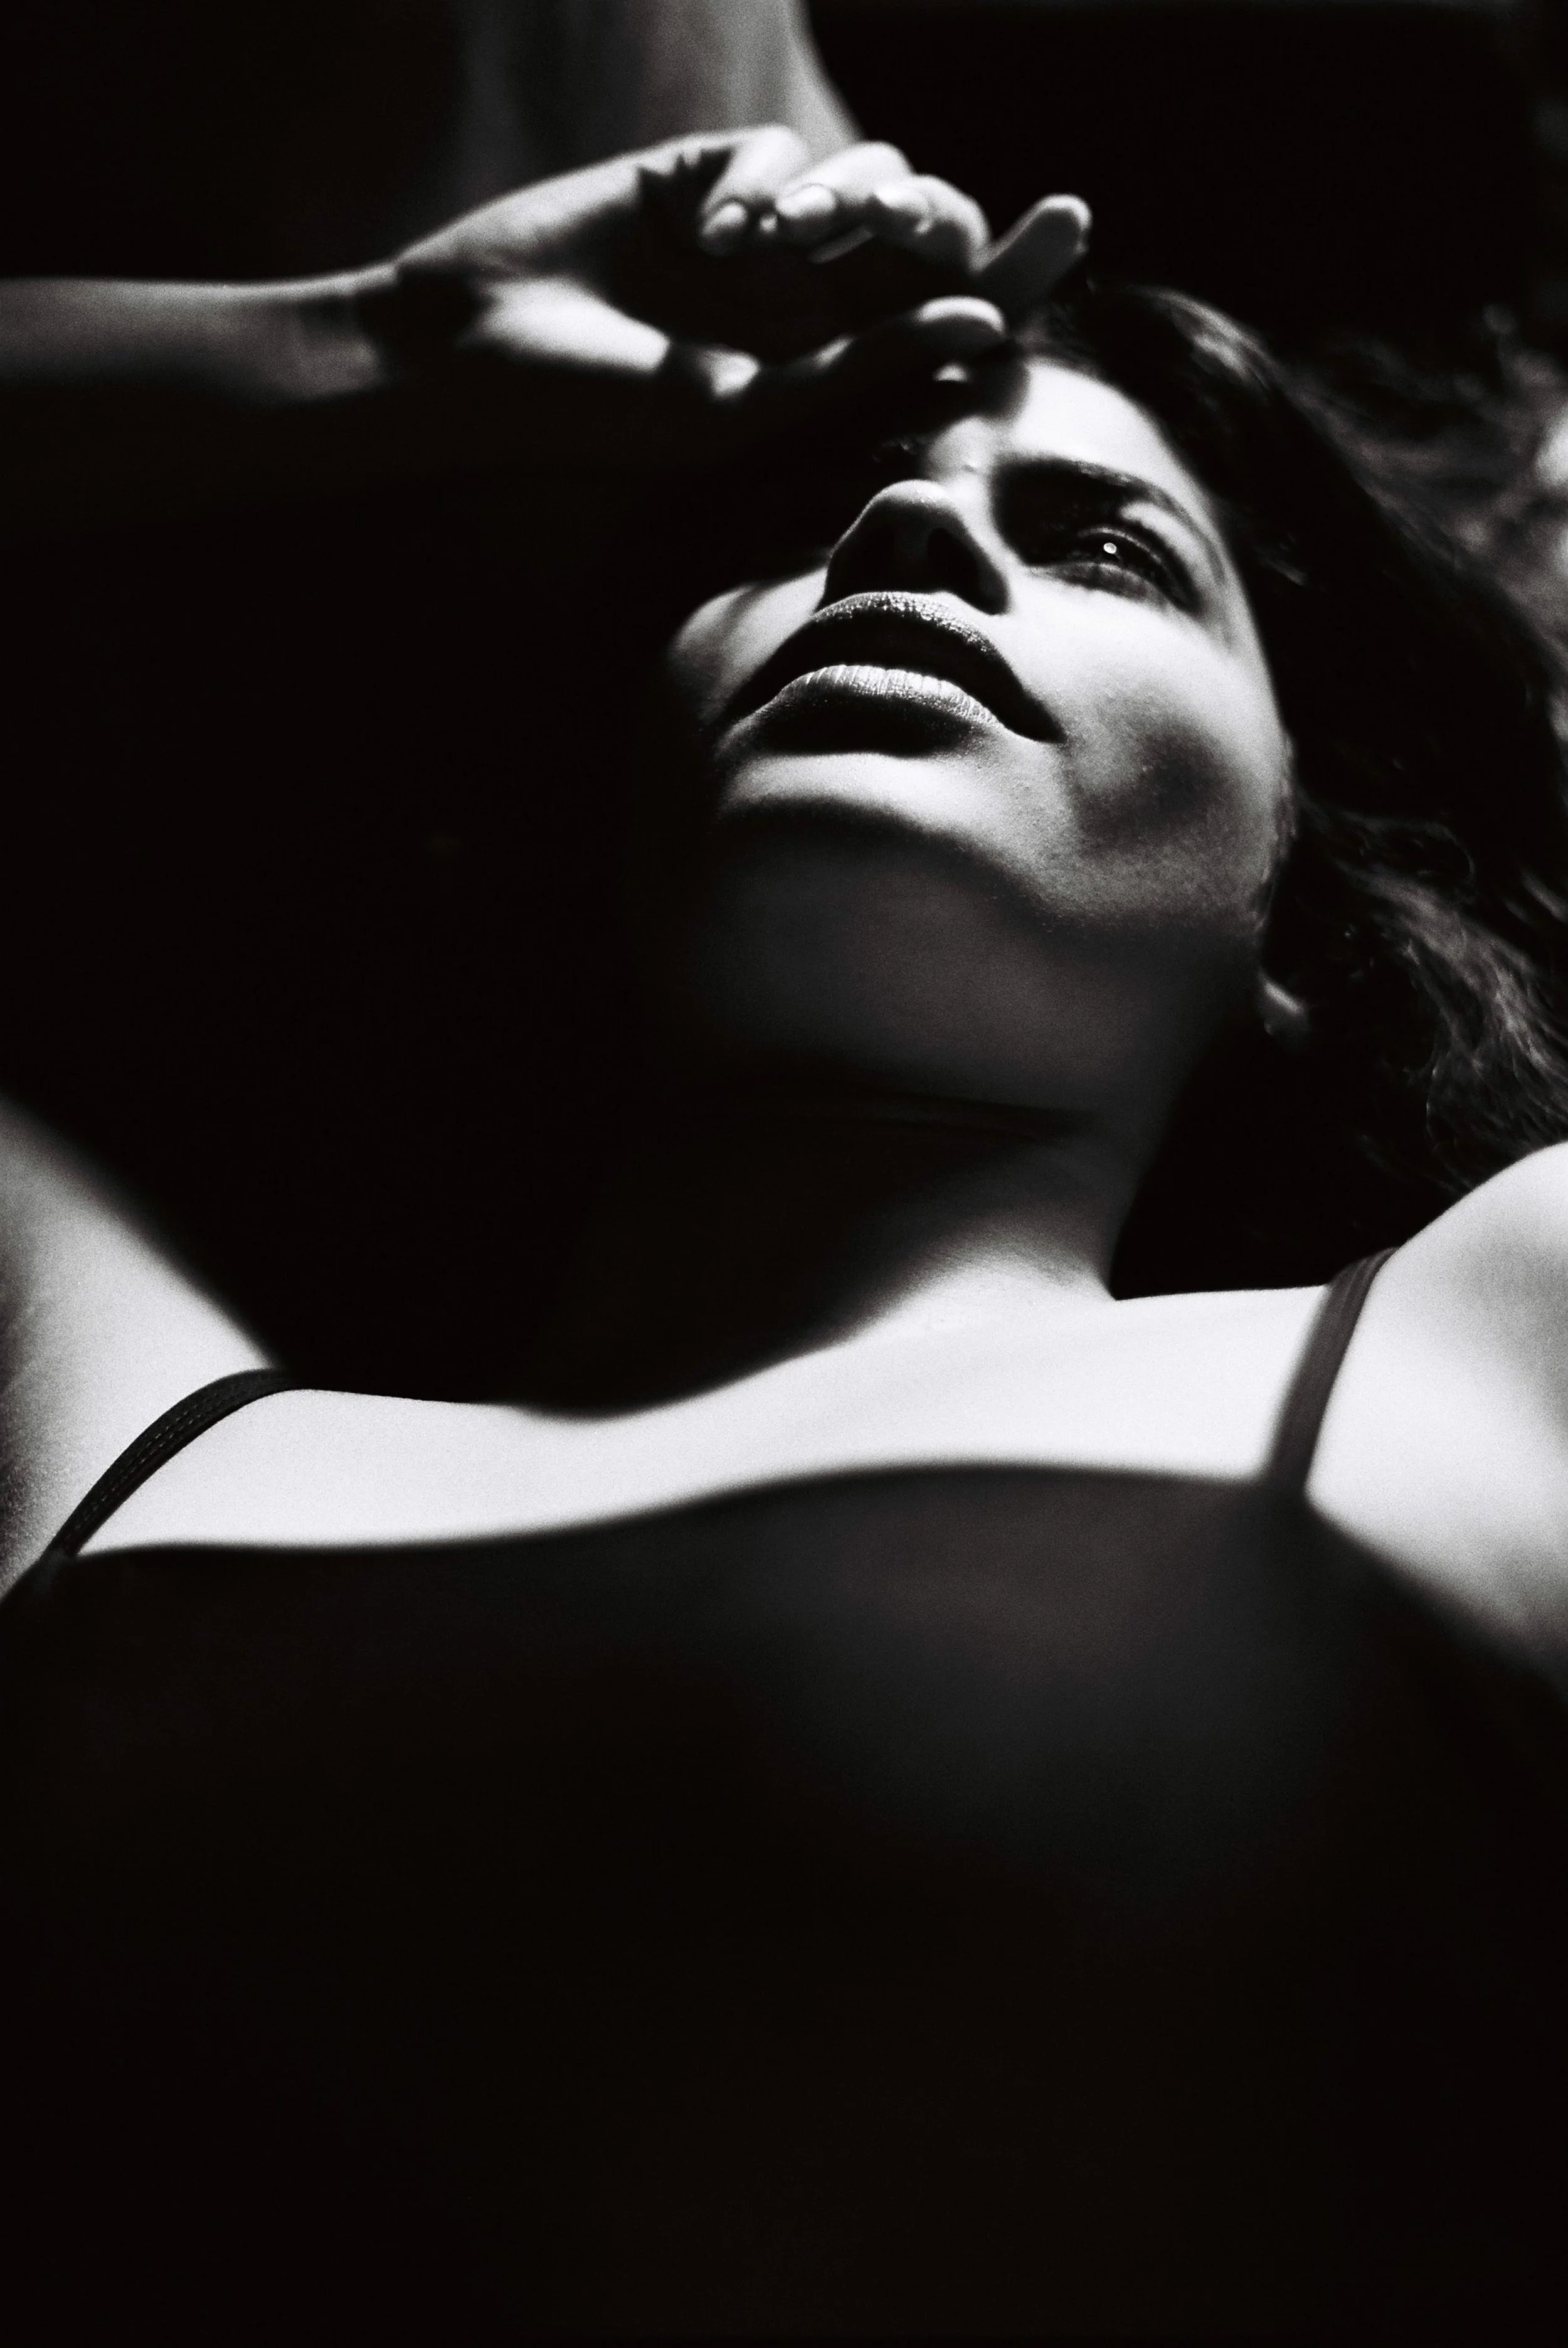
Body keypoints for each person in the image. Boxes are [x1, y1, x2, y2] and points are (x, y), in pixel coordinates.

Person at [0, 142, 1565, 2340]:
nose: (910, 532)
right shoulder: (94, 1408)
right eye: (798, 517)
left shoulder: (1494, 1341)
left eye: (1107, 546)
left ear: (1291, 915)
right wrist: (382, 343)